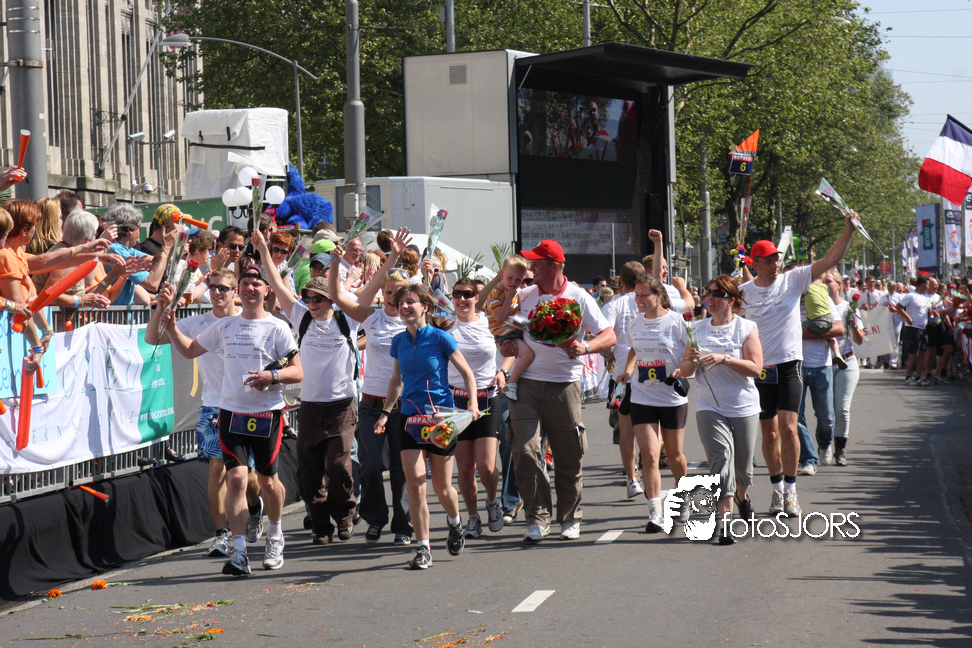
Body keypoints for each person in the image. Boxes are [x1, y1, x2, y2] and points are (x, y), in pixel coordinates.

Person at [163, 264, 303, 576]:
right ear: (238, 290)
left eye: (257, 284)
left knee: (267, 481)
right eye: (245, 283)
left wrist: (271, 376)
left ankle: (275, 535)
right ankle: (239, 552)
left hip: (266, 414)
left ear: (267, 290)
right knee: (237, 479)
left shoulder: (277, 327)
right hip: (230, 413)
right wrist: (171, 328)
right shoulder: (225, 326)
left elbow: (297, 371)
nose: (250, 288)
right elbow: (189, 351)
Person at [738, 210, 858, 517]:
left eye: (776, 259)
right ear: (755, 263)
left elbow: (830, 259)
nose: (775, 264)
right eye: (768, 260)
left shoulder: (792, 280)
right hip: (761, 369)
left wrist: (848, 230)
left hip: (790, 365)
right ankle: (777, 489)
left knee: (789, 428)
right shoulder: (744, 294)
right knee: (769, 434)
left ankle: (791, 491)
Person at [503, 239, 615, 542]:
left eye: (537, 263)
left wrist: (584, 347)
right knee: (524, 451)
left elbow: (609, 336)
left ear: (554, 265)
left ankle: (569, 516)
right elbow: (504, 325)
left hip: (564, 385)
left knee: (568, 455)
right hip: (525, 384)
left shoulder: (578, 297)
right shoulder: (525, 294)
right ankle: (537, 517)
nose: (531, 268)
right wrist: (507, 344)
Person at [145, 269, 262, 557]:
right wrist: (161, 307)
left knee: (248, 476)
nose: (217, 292)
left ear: (235, 292)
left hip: (246, 407)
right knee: (217, 469)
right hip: (213, 406)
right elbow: (152, 338)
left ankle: (255, 508)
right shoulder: (197, 323)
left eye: (223, 288)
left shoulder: (247, 321)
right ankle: (221, 534)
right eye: (213, 287)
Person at [253, 230, 360, 544]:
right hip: (311, 406)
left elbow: (367, 293)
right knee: (309, 471)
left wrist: (389, 258)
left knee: (339, 467)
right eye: (307, 297)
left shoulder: (348, 319)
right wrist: (263, 250)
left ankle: (344, 516)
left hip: (342, 405)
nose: (311, 303)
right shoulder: (301, 316)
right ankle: (321, 526)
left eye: (317, 298)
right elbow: (275, 283)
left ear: (331, 300)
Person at [374, 283, 481, 570]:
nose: (404, 307)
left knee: (442, 488)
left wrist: (472, 405)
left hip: (440, 421)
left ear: (425, 307)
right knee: (415, 485)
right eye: (400, 303)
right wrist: (385, 413)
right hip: (410, 420)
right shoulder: (398, 341)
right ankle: (423, 548)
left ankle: (455, 522)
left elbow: (467, 374)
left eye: (410, 302)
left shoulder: (441, 338)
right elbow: (396, 380)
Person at [329, 229, 414, 546]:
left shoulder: (415, 323)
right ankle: (376, 519)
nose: (392, 298)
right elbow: (337, 297)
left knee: (401, 468)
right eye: (388, 292)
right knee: (370, 466)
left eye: (398, 294)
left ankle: (403, 526)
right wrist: (336, 264)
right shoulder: (372, 317)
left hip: (404, 406)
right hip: (371, 404)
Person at [679, 275, 763, 544]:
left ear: (731, 300)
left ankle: (742, 496)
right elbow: (685, 369)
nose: (711, 299)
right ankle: (725, 523)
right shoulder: (696, 329)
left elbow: (756, 368)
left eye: (717, 294)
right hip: (709, 406)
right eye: (708, 294)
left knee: (743, 470)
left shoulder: (745, 328)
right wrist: (690, 362)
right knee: (720, 461)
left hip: (743, 405)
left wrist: (725, 359)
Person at [618, 274, 690, 533]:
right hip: (642, 396)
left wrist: (682, 369)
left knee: (675, 455)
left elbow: (691, 350)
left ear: (659, 296)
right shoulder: (635, 324)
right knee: (649, 455)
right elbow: (633, 350)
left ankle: (682, 496)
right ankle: (655, 511)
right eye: (636, 295)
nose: (639, 299)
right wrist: (628, 370)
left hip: (671, 397)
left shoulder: (676, 322)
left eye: (644, 295)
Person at [448, 277, 512, 538]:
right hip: (457, 401)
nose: (462, 299)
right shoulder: (446, 326)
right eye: (457, 294)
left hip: (487, 398)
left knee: (486, 465)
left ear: (477, 298)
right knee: (465, 468)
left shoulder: (489, 323)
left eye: (467, 294)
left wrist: (503, 371)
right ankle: (472, 516)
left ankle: (493, 501)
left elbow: (510, 350)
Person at [601, 260, 647, 499]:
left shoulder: (613, 306)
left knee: (626, 429)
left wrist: (608, 355)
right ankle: (648, 470)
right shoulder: (650, 301)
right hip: (651, 372)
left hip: (622, 375)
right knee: (652, 426)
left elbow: (604, 338)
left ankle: (632, 478)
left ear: (621, 282)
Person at [795, 272, 844, 475]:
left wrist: (807, 333)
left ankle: (824, 443)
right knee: (795, 416)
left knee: (826, 417)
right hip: (794, 366)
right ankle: (808, 459)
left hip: (821, 366)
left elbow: (839, 329)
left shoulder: (821, 298)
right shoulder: (787, 303)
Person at [478, 254, 536, 401]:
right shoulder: (497, 294)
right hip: (506, 335)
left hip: (512, 332)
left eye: (518, 280)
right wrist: (509, 299)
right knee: (528, 356)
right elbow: (499, 317)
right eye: (510, 278)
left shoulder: (516, 293)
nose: (513, 282)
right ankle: (512, 384)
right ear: (502, 275)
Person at [825, 270, 864, 466]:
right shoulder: (817, 306)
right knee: (826, 412)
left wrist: (854, 325)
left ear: (838, 285)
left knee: (842, 410)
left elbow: (860, 339)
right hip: (824, 363)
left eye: (829, 281)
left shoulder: (849, 308)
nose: (825, 285)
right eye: (822, 282)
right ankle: (824, 445)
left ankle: (840, 449)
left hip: (847, 362)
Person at [102, 204, 175, 305]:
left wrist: (171, 240)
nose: (139, 233)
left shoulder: (128, 250)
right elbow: (152, 284)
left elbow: (156, 262)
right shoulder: (115, 250)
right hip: (113, 313)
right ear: (129, 230)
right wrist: (166, 248)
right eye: (138, 228)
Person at [892, 276, 933, 386]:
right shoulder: (911, 295)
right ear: (922, 285)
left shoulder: (924, 297)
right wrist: (908, 318)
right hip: (913, 328)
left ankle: (918, 376)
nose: (928, 287)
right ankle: (908, 376)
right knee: (914, 354)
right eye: (927, 285)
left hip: (923, 328)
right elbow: (899, 306)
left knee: (922, 353)